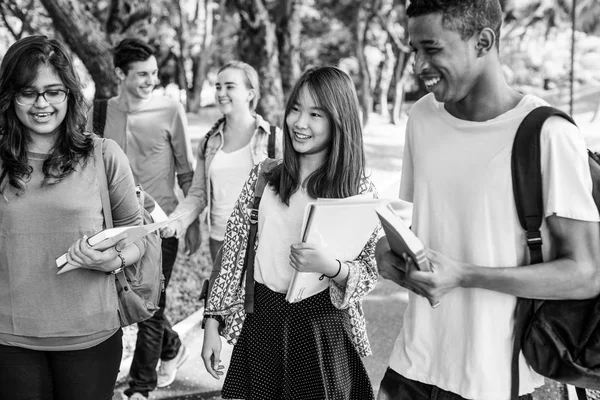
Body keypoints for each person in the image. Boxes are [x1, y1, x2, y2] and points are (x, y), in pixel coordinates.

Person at [375, 1, 600, 400]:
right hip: (412, 364)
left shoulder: (548, 135)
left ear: (483, 41)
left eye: (431, 48)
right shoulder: (423, 118)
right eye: (413, 50)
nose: (417, 65)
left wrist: (464, 275)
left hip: (495, 379)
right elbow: (427, 225)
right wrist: (389, 253)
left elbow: (585, 273)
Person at [200, 66, 378, 400]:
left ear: (339, 121)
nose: (299, 123)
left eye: (315, 114)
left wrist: (332, 266)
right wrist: (213, 321)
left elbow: (369, 271)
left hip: (320, 327)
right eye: (295, 108)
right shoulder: (265, 176)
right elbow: (234, 251)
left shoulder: (357, 190)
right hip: (262, 321)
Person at [0, 35, 145, 400]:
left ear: (69, 93)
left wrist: (111, 260)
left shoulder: (103, 155)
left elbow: (139, 238)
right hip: (8, 339)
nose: (42, 104)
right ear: (9, 96)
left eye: (53, 91)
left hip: (90, 337)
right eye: (28, 92)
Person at [94, 38, 196, 400]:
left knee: (152, 306)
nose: (150, 80)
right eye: (141, 74)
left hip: (161, 224)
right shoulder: (100, 112)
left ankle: (140, 388)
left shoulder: (170, 110)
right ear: (120, 74)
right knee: (125, 301)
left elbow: (187, 171)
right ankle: (171, 346)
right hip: (113, 226)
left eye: (153, 73)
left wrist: (191, 221)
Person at [163, 60, 283, 263]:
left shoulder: (273, 138)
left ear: (250, 94)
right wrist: (174, 223)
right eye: (218, 86)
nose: (220, 93)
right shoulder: (209, 142)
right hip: (220, 241)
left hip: (262, 241)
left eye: (230, 87)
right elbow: (198, 194)